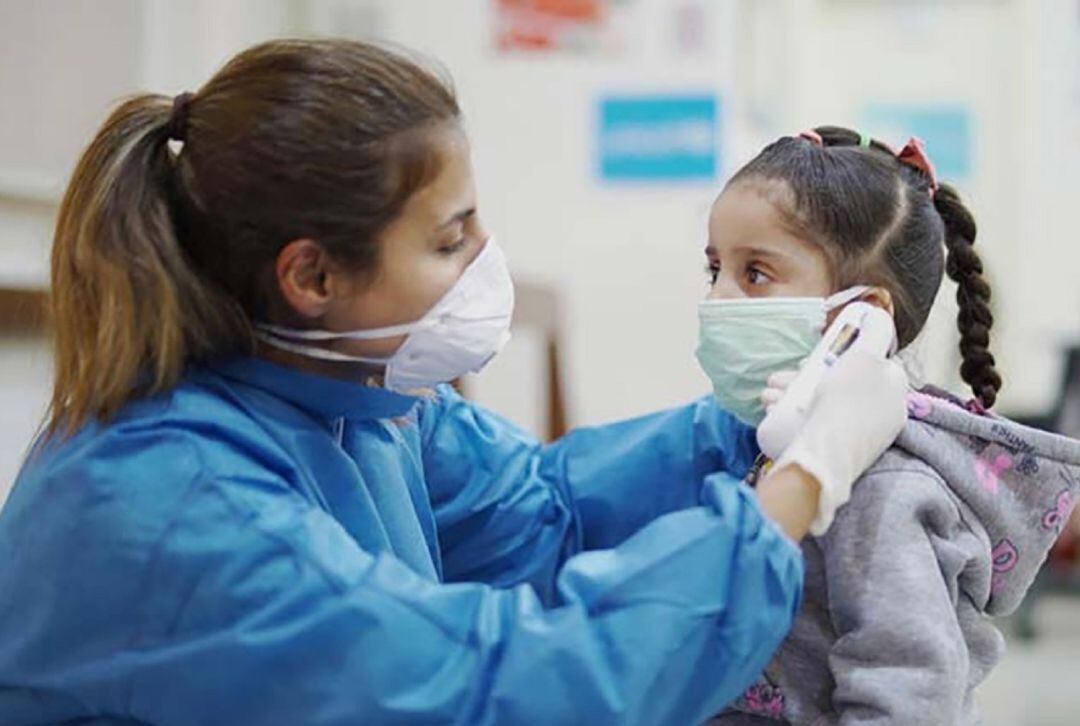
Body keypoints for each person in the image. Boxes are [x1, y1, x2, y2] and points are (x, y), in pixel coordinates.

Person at [0, 43, 906, 725]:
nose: (486, 263)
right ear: (311, 277)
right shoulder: (169, 504)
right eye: (447, 239)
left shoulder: (355, 398)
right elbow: (504, 690)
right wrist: (803, 483)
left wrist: (758, 413)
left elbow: (549, 509)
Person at [697, 126, 1080, 725]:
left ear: (862, 318)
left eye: (755, 274)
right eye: (714, 269)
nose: (718, 300)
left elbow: (909, 689)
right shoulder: (769, 444)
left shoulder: (882, 486)